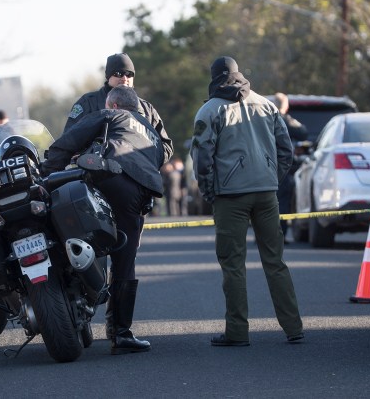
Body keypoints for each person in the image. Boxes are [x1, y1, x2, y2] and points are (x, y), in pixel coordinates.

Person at [42, 85, 167, 355]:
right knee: (125, 261)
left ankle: (64, 291)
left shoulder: (113, 116)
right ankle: (120, 333)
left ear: (112, 105)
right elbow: (157, 161)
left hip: (109, 178)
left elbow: (71, 139)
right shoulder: (153, 133)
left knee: (63, 226)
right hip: (139, 196)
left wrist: (47, 173)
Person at [190, 56, 304, 346]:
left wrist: (208, 190)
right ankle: (293, 328)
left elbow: (202, 156)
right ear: (239, 74)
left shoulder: (210, 110)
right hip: (266, 193)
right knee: (275, 262)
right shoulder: (267, 105)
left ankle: (237, 332)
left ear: (213, 78)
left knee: (233, 265)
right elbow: (285, 150)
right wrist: (271, 179)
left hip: (230, 197)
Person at [63, 52, 173, 165]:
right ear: (108, 76)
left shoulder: (147, 109)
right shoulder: (88, 102)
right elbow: (69, 139)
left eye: (129, 74)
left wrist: (147, 160)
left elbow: (166, 147)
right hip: (96, 174)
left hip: (139, 176)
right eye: (119, 73)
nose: (125, 78)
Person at [273, 92, 308, 242]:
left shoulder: (262, 119)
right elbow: (302, 132)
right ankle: (279, 236)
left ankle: (261, 236)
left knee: (262, 204)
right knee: (282, 204)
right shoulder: (283, 119)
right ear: (285, 106)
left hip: (263, 169)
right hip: (281, 170)